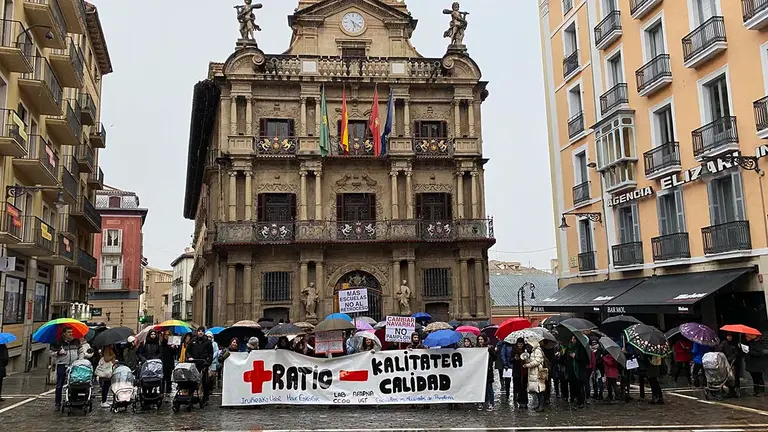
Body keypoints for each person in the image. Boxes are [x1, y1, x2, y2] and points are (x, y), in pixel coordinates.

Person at [50, 327, 81, 409]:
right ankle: (57, 403)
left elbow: (81, 351)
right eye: (68, 332)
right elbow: (51, 353)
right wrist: (58, 353)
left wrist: (80, 360)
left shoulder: (76, 341)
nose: (71, 334)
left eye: (71, 332)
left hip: (74, 365)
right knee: (60, 384)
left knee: (74, 383)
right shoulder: (58, 342)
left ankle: (74, 400)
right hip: (62, 365)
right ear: (64, 334)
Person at [187, 327, 214, 404]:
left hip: (203, 364)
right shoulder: (193, 341)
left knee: (204, 382)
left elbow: (210, 353)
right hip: (194, 364)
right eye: (199, 331)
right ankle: (190, 396)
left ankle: (205, 398)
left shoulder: (208, 342)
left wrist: (208, 362)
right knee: (192, 381)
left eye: (202, 331)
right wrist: (189, 357)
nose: (200, 333)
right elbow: (188, 351)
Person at [502, 337, 529, 408]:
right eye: (519, 344)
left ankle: (525, 402)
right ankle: (519, 401)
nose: (520, 345)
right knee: (518, 387)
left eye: (521, 344)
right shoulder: (514, 350)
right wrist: (515, 359)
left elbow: (529, 359)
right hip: (516, 371)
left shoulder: (526, 350)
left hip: (524, 371)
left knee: (524, 387)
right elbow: (510, 360)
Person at [523, 340, 547, 411]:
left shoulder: (537, 351)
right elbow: (532, 360)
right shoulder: (533, 351)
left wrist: (527, 365)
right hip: (534, 372)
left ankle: (541, 405)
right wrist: (526, 359)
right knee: (537, 389)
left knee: (539, 389)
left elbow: (537, 361)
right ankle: (539, 405)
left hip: (538, 372)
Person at [566, 335, 587, 409]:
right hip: (571, 371)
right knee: (574, 386)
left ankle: (581, 402)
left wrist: (576, 357)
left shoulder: (580, 348)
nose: (573, 340)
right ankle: (575, 400)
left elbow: (585, 360)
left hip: (579, 371)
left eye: (574, 338)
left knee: (580, 386)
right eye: (572, 338)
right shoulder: (569, 347)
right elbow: (566, 359)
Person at [477, 335, 495, 411]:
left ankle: (491, 403)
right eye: (479, 339)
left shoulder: (489, 348)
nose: (480, 341)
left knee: (489, 387)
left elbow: (494, 358)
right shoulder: (476, 349)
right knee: (479, 387)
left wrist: (490, 351)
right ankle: (481, 402)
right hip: (479, 371)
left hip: (488, 370)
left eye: (482, 339)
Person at [159, 331, 176, 396]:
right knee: (162, 377)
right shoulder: (162, 342)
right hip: (163, 361)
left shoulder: (171, 343)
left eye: (168, 334)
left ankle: (168, 390)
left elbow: (175, 353)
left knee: (168, 377)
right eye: (165, 334)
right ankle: (162, 391)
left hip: (169, 362)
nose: (166, 335)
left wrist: (173, 348)